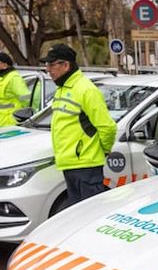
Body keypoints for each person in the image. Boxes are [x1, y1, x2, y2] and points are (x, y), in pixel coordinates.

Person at [43, 43, 117, 203]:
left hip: (86, 166)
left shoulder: (85, 89)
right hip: (71, 164)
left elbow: (107, 127)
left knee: (90, 215)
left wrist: (101, 151)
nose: (48, 69)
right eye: (47, 65)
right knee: (78, 216)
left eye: (51, 64)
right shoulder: (63, 88)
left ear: (66, 65)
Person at [0, 53, 31, 127]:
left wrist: (22, 115)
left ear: (5, 65)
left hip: (10, 123)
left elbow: (26, 98)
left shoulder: (13, 78)